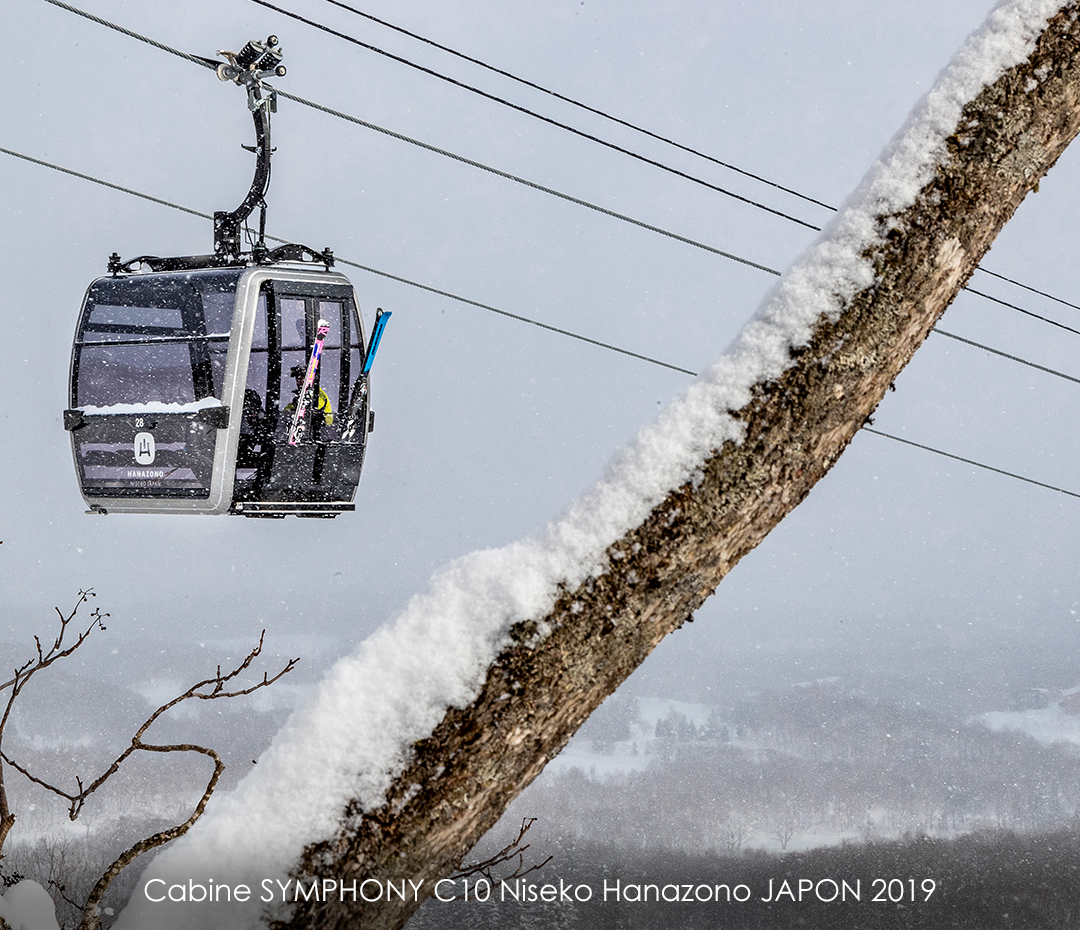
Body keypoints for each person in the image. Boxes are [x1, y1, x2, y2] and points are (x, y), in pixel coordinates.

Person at [283, 364, 333, 429]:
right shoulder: (301, 395)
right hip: (306, 429)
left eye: (301, 379)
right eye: (297, 379)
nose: (298, 382)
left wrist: (298, 404)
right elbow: (289, 411)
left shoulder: (317, 394)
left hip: (322, 430)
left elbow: (315, 407)